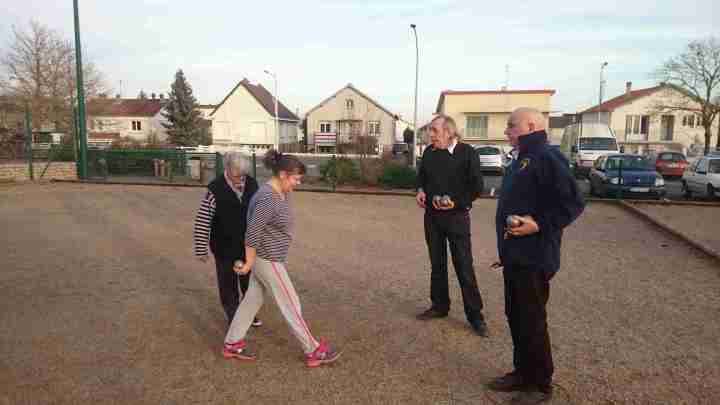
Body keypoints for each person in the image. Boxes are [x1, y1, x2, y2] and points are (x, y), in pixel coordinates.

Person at [488, 108, 585, 404]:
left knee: (531, 319)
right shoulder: (521, 158)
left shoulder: (546, 156)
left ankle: (540, 384)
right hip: (516, 255)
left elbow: (573, 203)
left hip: (535, 256)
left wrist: (539, 223)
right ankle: (523, 373)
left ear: (531, 126)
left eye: (512, 125)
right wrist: (506, 251)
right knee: (516, 315)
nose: (507, 131)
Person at [222, 150, 341, 368]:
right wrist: (249, 263)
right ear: (283, 175)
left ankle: (231, 343)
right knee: (291, 302)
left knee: (252, 301)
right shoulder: (267, 198)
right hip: (267, 259)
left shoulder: (279, 193)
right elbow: (253, 232)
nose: (297, 183)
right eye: (295, 179)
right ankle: (313, 349)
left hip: (268, 258)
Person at [415, 114, 489, 337]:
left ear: (449, 132)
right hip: (432, 218)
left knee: (464, 266)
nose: (431, 135)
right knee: (437, 264)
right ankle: (440, 306)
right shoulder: (429, 153)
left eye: (434, 131)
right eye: (430, 130)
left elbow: (477, 187)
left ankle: (475, 316)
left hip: (457, 218)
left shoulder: (467, 153)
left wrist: (455, 202)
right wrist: (420, 191)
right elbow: (421, 178)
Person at [193, 152, 262, 328]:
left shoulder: (252, 184)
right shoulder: (215, 189)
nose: (241, 180)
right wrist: (201, 248)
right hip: (223, 247)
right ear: (228, 169)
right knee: (228, 286)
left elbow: (260, 214)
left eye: (243, 175)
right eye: (237, 175)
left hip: (248, 247)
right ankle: (234, 317)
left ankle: (249, 313)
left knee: (249, 284)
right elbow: (203, 220)